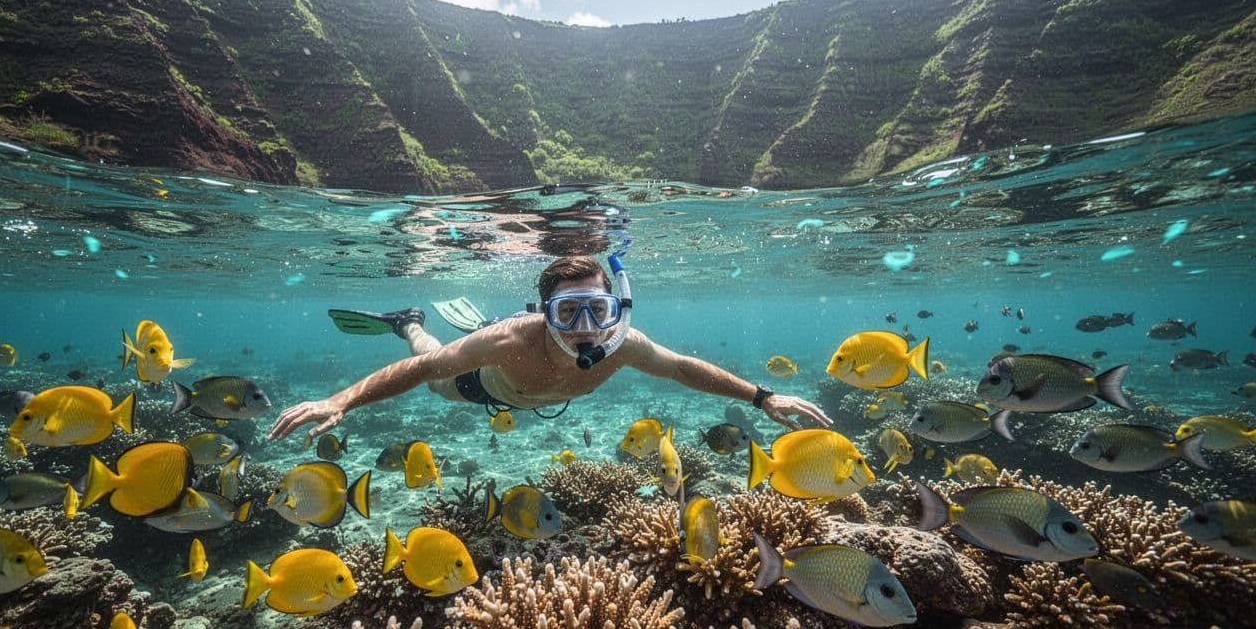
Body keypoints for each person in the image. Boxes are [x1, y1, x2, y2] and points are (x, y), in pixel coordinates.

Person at [267, 251, 832, 442]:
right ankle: (410, 321)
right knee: (436, 381)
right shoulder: (509, 340)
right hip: (485, 386)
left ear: (616, 310)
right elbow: (424, 368)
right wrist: (341, 400)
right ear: (544, 314)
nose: (586, 326)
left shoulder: (623, 344)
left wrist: (763, 397)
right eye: (567, 312)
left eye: (598, 310)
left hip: (528, 389)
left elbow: (682, 368)